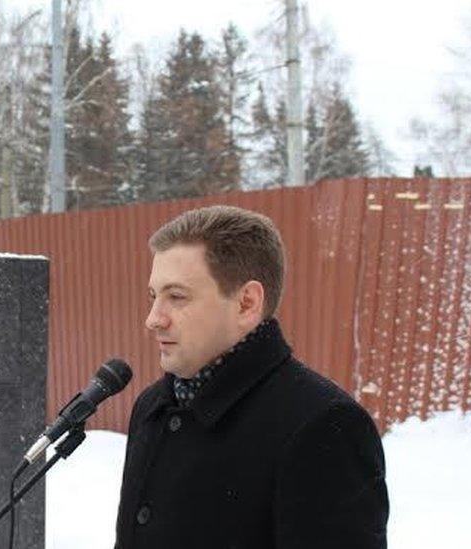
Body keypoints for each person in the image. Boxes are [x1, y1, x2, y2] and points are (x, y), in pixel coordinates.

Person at [115, 205, 389, 548]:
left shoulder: (322, 425)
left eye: (176, 297)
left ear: (246, 303)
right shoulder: (153, 407)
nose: (153, 319)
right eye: (154, 297)